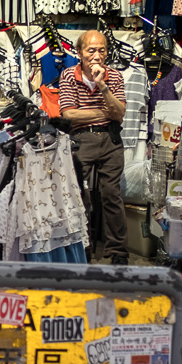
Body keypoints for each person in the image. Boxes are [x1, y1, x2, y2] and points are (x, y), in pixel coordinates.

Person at [59, 30, 129, 265]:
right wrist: (105, 113)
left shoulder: (115, 77)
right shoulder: (69, 75)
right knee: (81, 196)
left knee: (112, 195)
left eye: (102, 50)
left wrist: (102, 86)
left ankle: (118, 251)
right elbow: (68, 115)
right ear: (79, 53)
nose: (97, 55)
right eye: (91, 50)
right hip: (81, 141)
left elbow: (119, 113)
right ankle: (83, 249)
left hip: (111, 140)